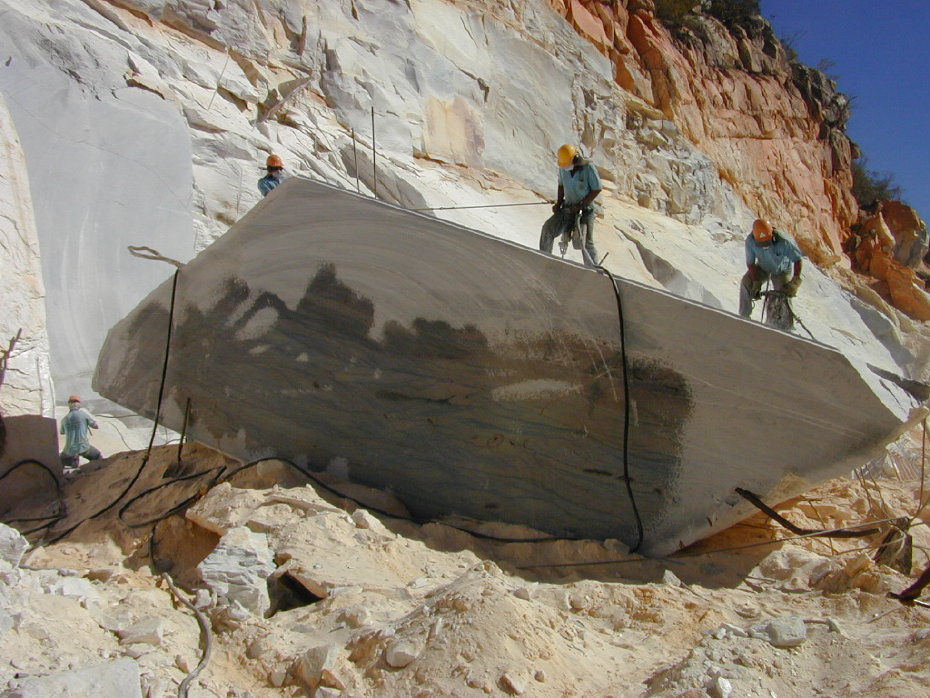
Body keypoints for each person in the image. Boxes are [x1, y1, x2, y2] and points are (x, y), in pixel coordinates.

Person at [539, 144, 602, 268]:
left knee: (585, 242)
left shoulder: (588, 168)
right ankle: (544, 259)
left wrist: (581, 205)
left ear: (576, 159)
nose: (567, 167)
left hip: (585, 211)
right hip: (568, 208)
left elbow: (597, 189)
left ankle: (594, 269)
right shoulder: (563, 168)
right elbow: (561, 185)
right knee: (548, 229)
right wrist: (558, 202)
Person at [738, 219, 804, 318]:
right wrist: (756, 282)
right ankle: (744, 315)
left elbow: (797, 259)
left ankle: (782, 325)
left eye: (767, 242)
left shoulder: (783, 241)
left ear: (772, 235)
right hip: (762, 267)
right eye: (762, 244)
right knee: (746, 282)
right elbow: (751, 264)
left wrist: (795, 281)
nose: (765, 246)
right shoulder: (750, 241)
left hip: (781, 271)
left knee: (783, 296)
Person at [59, 394, 101, 469]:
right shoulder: (83, 415)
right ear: (79, 404)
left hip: (69, 450)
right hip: (84, 447)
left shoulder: (64, 419)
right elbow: (96, 426)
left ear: (69, 404)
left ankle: (72, 469)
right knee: (97, 457)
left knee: (60, 463)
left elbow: (62, 432)